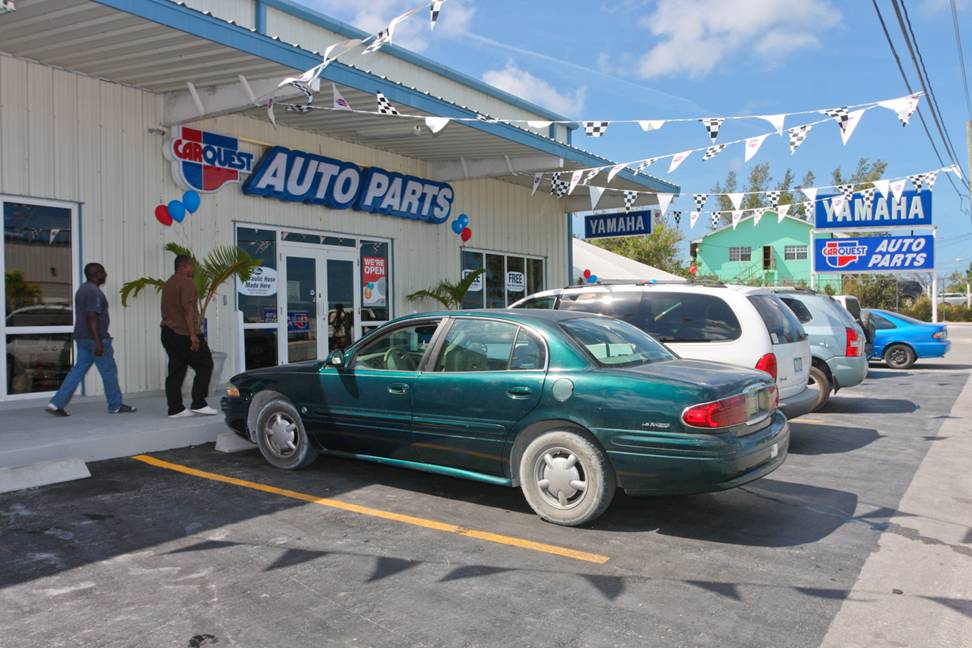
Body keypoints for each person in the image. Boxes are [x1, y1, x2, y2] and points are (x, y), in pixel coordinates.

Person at [46, 263, 136, 416]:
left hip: (83, 338)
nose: (105, 274)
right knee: (108, 371)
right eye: (103, 272)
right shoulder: (93, 291)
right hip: (94, 339)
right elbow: (92, 316)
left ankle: (55, 403)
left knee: (78, 370)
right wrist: (99, 340)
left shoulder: (82, 289)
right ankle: (115, 405)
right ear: (97, 273)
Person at [160, 255, 217, 418]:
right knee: (205, 363)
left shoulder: (169, 283)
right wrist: (193, 335)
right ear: (184, 266)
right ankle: (198, 403)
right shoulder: (186, 282)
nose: (193, 269)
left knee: (176, 370)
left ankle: (175, 408)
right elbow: (188, 309)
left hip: (168, 332)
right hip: (183, 333)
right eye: (191, 266)